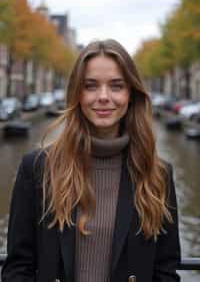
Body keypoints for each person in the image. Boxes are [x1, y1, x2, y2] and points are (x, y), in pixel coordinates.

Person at [1, 39, 181, 282]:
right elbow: (17, 269)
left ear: (131, 94)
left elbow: (165, 271)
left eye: (116, 86)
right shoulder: (37, 168)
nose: (104, 96)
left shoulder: (157, 173)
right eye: (91, 86)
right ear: (76, 93)